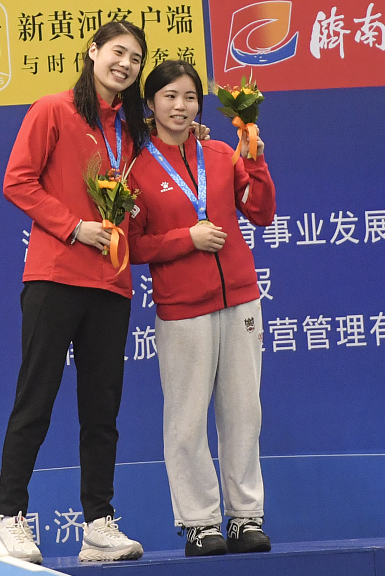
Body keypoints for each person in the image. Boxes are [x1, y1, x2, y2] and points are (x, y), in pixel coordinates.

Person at [0, 21, 150, 564]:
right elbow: (18, 181)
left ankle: (98, 525)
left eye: (135, 59)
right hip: (55, 277)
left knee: (102, 410)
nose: (125, 64)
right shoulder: (52, 110)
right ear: (93, 51)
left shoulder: (132, 129)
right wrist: (73, 227)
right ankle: (10, 518)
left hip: (112, 283)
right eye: (117, 52)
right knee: (35, 400)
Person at [127, 60, 276, 557]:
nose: (180, 106)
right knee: (187, 418)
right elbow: (132, 244)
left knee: (244, 412)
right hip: (183, 308)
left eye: (189, 97)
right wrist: (185, 239)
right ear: (150, 104)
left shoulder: (219, 153)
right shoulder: (136, 167)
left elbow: (260, 212)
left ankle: (245, 516)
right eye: (169, 96)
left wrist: (255, 161)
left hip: (241, 298)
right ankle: (199, 522)